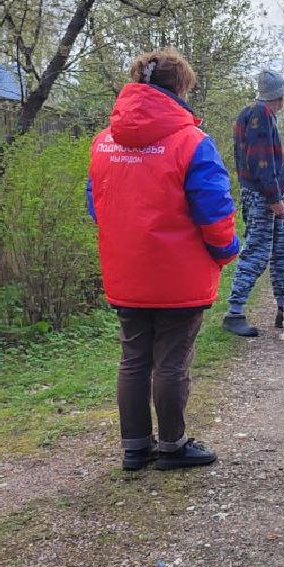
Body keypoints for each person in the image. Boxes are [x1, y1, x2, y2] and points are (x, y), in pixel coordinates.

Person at [87, 48, 240, 471]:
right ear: (181, 87)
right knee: (171, 362)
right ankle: (172, 446)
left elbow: (96, 205)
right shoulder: (192, 142)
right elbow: (215, 210)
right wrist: (226, 251)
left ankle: (135, 447)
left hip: (127, 272)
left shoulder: (103, 143)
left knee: (134, 358)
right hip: (178, 276)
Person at [224, 69, 284, 338]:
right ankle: (234, 313)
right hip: (263, 198)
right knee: (257, 254)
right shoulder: (260, 116)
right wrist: (273, 198)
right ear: (279, 96)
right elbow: (259, 162)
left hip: (268, 194)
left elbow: (261, 156)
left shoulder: (257, 115)